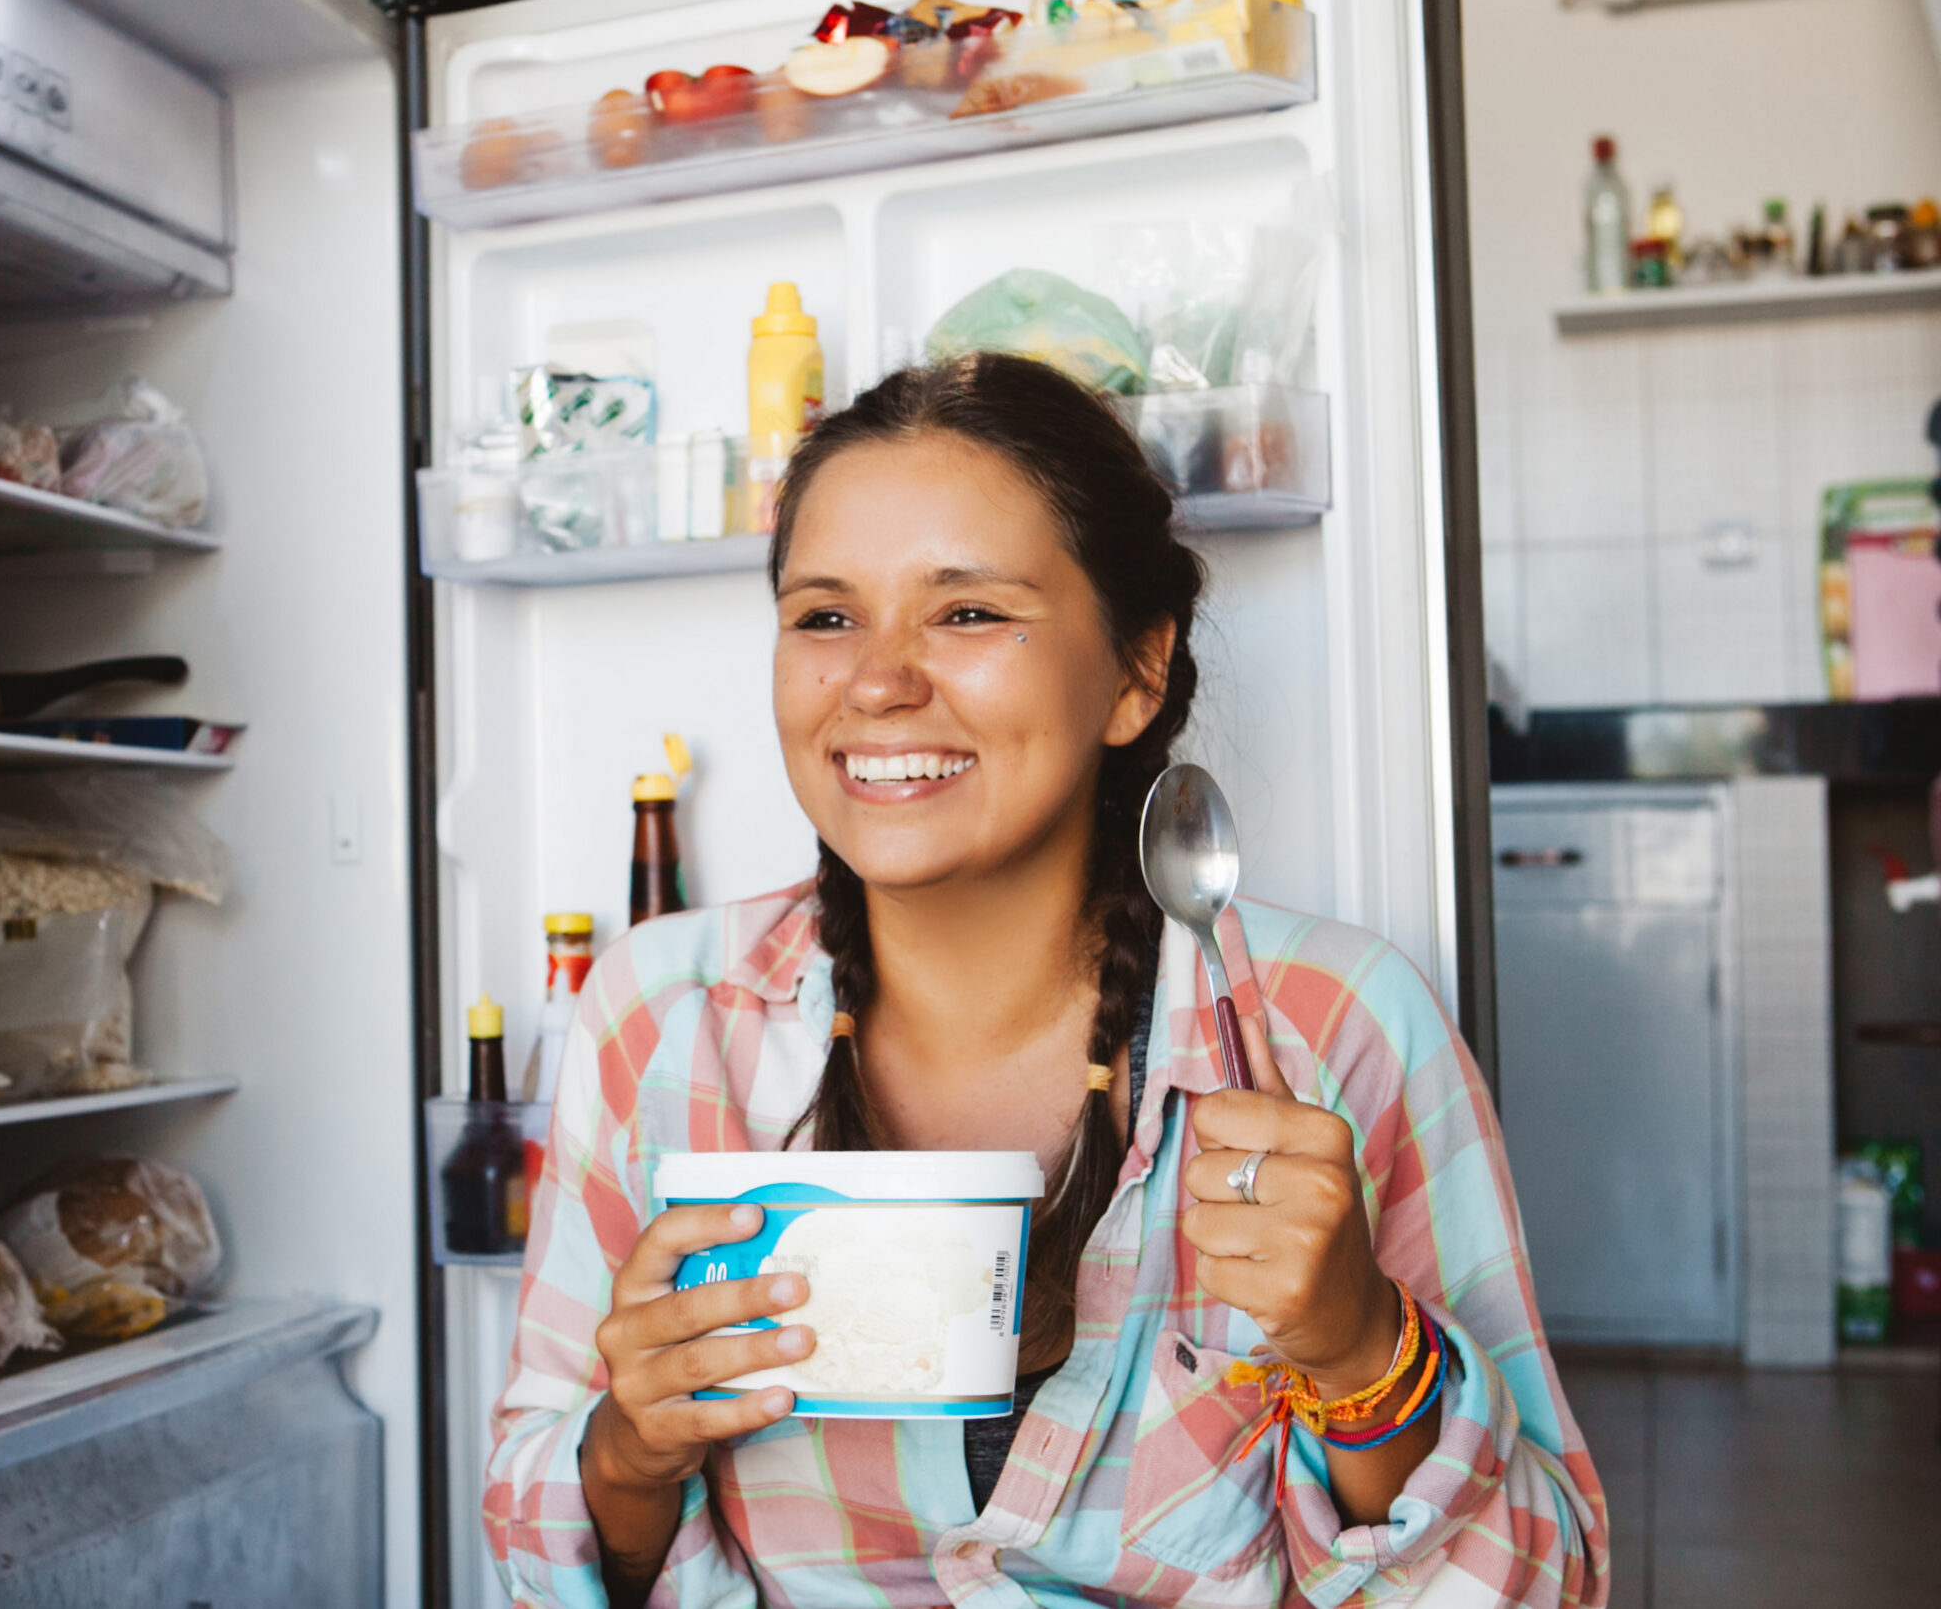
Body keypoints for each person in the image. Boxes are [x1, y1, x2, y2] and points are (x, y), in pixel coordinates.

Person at [484, 354, 1607, 1608]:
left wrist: (1364, 1353)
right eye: (824, 615)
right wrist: (630, 1452)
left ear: (1134, 673)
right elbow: (545, 1524)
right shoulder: (658, 1014)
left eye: (967, 613)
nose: (875, 680)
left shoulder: (1331, 1024)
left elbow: (1545, 1581)